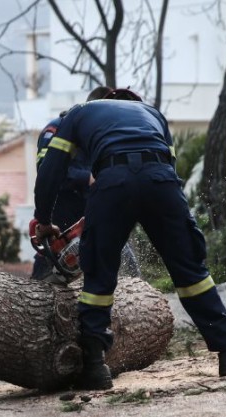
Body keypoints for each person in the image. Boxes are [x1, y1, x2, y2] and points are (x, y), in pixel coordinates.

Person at [33, 88, 226, 390]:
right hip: (161, 181)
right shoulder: (153, 114)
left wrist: (43, 220)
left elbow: (51, 171)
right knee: (191, 272)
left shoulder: (78, 114)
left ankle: (95, 367)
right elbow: (169, 170)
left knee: (98, 275)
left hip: (112, 181)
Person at [32, 86, 140, 281]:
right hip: (60, 218)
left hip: (94, 211)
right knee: (46, 278)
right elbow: (46, 171)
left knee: (124, 270)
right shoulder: (56, 130)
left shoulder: (104, 133)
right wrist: (86, 178)